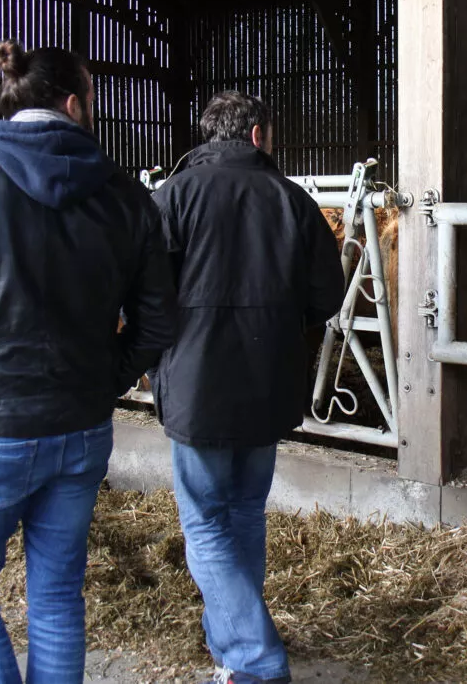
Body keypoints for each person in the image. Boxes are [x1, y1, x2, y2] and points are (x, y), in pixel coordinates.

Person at [0, 40, 177, 684]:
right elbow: (157, 321)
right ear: (74, 104)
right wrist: (102, 383)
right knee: (55, 597)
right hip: (79, 432)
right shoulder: (127, 199)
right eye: (94, 97)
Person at [152, 90, 345, 684]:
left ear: (211, 135)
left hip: (195, 385)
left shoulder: (172, 197)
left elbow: (144, 294)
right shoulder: (293, 201)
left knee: (206, 520)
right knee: (243, 512)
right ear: (259, 134)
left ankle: (254, 662)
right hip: (267, 383)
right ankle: (231, 640)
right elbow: (328, 297)